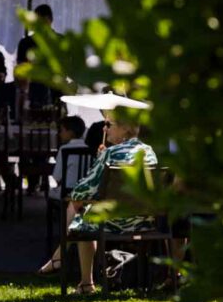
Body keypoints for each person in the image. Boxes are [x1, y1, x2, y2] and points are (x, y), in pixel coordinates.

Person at [38, 111, 158, 289]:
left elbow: (80, 192)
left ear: (125, 128)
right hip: (145, 222)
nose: (104, 128)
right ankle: (60, 260)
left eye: (109, 124)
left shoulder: (111, 154)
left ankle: (84, 280)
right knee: (84, 213)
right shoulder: (149, 152)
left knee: (82, 218)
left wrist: (100, 159)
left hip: (115, 221)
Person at [15, 5, 55, 108]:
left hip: (55, 93)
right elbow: (21, 72)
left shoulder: (59, 42)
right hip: (31, 93)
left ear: (50, 21)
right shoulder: (25, 43)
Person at [54, 116, 88, 189]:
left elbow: (57, 176)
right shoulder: (90, 149)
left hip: (68, 191)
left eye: (61, 130)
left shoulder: (64, 149)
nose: (59, 134)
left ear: (70, 132)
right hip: (85, 191)